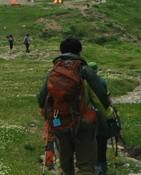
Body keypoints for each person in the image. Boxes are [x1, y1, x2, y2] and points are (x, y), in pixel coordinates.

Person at [37, 37, 114, 175]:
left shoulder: (53, 73)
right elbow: (100, 100)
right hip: (83, 124)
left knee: (66, 167)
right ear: (80, 52)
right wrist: (110, 116)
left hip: (60, 124)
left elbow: (42, 101)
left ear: (61, 52)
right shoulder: (86, 72)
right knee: (86, 165)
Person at [88, 62, 109, 175]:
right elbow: (105, 98)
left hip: (88, 116)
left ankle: (93, 167)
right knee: (102, 141)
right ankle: (103, 166)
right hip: (101, 115)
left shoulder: (84, 82)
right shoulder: (102, 82)